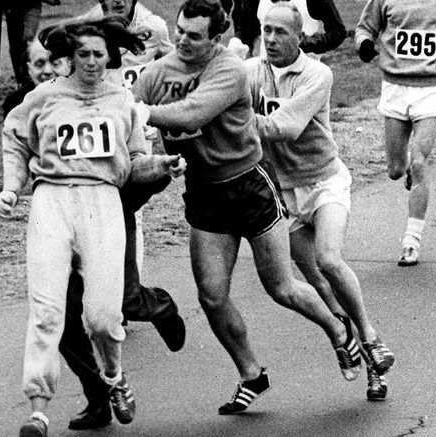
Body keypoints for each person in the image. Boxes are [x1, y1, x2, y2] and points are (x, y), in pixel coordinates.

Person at [133, 0, 363, 415]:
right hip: (204, 193)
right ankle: (251, 374)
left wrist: (139, 112)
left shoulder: (229, 70)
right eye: (180, 30)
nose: (183, 40)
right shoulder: (156, 74)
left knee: (282, 287)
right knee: (212, 296)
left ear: (216, 38)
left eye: (195, 35)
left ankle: (337, 327)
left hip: (249, 186)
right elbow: (127, 123)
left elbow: (193, 112)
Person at [0, 16, 186, 437]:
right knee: (46, 311)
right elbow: (15, 138)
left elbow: (134, 164)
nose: (92, 62)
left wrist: (162, 165)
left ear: (109, 56)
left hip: (102, 202)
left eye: (99, 54)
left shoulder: (122, 102)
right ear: (70, 57)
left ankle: (114, 378)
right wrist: (11, 188)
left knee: (101, 316)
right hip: (52, 200)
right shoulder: (44, 97)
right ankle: (38, 410)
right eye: (83, 54)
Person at [244, 1, 394, 401]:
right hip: (284, 192)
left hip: (324, 181)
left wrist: (233, 118)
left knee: (329, 259)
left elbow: (287, 126)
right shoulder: (249, 72)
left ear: (300, 38)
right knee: (320, 289)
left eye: (280, 33)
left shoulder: (318, 73)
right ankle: (359, 357)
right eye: (266, 31)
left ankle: (370, 336)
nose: (271, 39)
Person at [355, 0, 436, 266]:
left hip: (432, 87)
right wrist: (364, 44)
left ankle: (411, 241)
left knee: (420, 160)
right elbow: (365, 27)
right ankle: (407, 166)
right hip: (395, 86)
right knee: (395, 169)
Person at [78, 0, 175, 273]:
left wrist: (157, 105)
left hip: (137, 126)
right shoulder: (87, 26)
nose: (118, 0)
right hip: (99, 127)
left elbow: (174, 62)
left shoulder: (153, 27)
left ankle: (131, 286)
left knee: (135, 210)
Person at [228, 0, 346, 59]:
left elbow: (338, 31)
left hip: (305, 74)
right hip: (268, 71)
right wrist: (237, 40)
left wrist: (309, 42)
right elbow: (247, 28)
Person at [3, 0, 62, 87]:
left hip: (31, 8)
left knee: (27, 38)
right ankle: (21, 80)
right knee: (15, 47)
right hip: (12, 10)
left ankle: (28, 77)